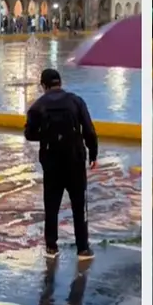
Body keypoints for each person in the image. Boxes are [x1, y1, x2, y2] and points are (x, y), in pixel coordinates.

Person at [23, 68, 98, 261]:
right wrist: (93, 154)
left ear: (43, 85)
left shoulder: (38, 106)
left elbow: (29, 134)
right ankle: (83, 249)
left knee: (51, 205)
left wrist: (48, 136)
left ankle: (51, 247)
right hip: (75, 161)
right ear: (60, 83)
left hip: (51, 163)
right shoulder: (76, 101)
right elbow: (89, 130)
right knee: (79, 205)